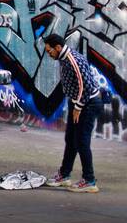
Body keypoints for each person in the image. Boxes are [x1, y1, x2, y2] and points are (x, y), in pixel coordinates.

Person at [43, 34, 102, 193]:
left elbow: (86, 86)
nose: (48, 54)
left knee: (82, 141)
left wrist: (78, 107)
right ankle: (64, 175)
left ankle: (89, 180)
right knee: (71, 138)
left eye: (49, 51)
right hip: (78, 102)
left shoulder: (72, 60)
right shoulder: (64, 58)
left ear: (58, 47)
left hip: (87, 104)